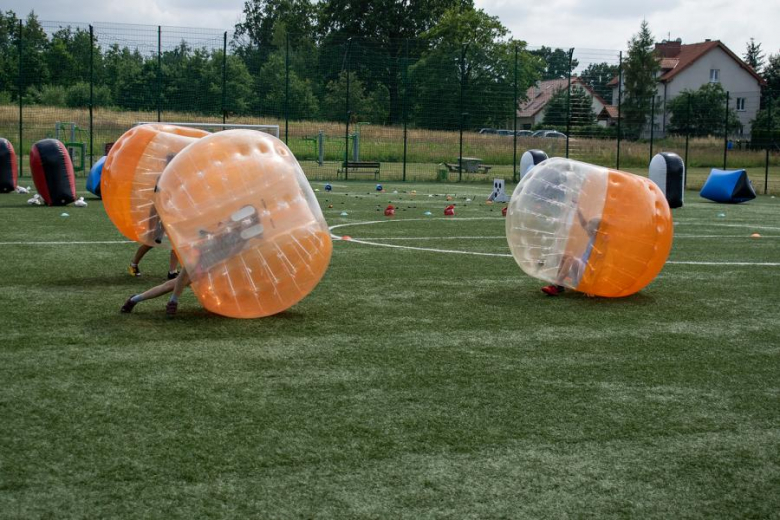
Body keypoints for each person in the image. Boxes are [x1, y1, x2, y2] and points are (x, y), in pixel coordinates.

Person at [541, 207, 604, 297]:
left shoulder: (600, 242)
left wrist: (590, 286)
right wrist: (578, 211)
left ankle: (556, 285)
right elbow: (583, 223)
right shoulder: (593, 237)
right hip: (582, 266)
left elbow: (599, 265)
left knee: (570, 258)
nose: (587, 231)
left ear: (596, 231)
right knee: (562, 257)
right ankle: (560, 286)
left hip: (587, 271)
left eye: (590, 230)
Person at [121, 268, 191, 317]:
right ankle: (134, 299)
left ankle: (134, 299)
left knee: (176, 282)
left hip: (201, 268)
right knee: (171, 285)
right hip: (198, 259)